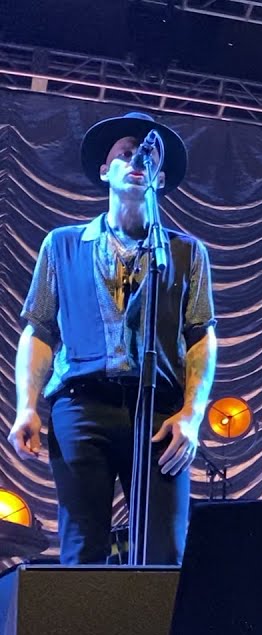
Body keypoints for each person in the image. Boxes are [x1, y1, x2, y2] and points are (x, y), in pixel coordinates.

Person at [6, 111, 217, 565]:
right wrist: (26, 406)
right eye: (124, 153)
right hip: (81, 406)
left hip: (160, 411)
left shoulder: (185, 251)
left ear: (159, 180)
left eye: (146, 157)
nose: (136, 160)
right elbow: (38, 329)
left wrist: (192, 414)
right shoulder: (62, 244)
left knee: (164, 551)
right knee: (83, 548)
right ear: (106, 171)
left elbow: (200, 335)